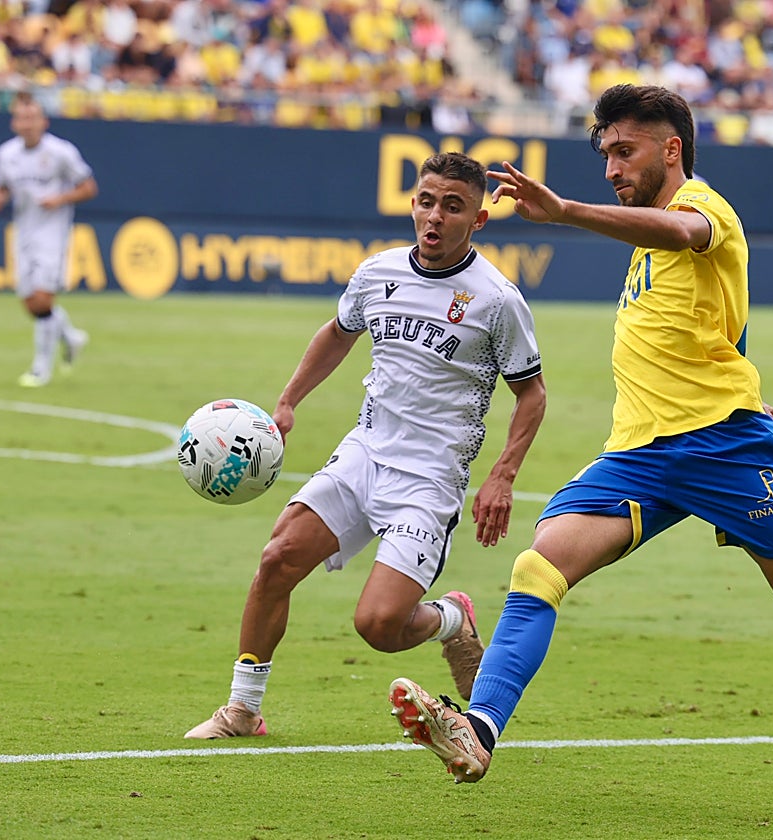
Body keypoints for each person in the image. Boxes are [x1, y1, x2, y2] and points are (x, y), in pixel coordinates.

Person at [389, 84, 773, 782]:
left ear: (671, 149)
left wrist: (565, 211)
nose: (611, 168)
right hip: (642, 454)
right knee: (539, 566)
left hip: (727, 449)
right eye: (605, 154)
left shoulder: (703, 209)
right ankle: (480, 730)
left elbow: (683, 235)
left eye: (625, 151)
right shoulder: (645, 232)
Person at [185, 152, 547, 738]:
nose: (434, 217)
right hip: (365, 452)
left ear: (478, 220)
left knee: (379, 626)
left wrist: (502, 475)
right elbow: (337, 333)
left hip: (430, 478)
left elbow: (531, 394)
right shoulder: (377, 272)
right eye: (426, 202)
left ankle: (452, 618)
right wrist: (287, 402)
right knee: (277, 559)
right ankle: (243, 710)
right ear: (412, 203)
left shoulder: (497, 300)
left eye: (452, 207)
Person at [0, 91, 98, 388]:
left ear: (43, 121)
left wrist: (61, 198)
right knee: (32, 304)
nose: (27, 123)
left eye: (32, 117)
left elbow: (89, 187)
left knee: (43, 298)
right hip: (22, 231)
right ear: (14, 122)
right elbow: (1, 189)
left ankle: (41, 369)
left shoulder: (61, 152)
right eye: (21, 118)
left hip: (52, 233)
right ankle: (71, 337)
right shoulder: (6, 154)